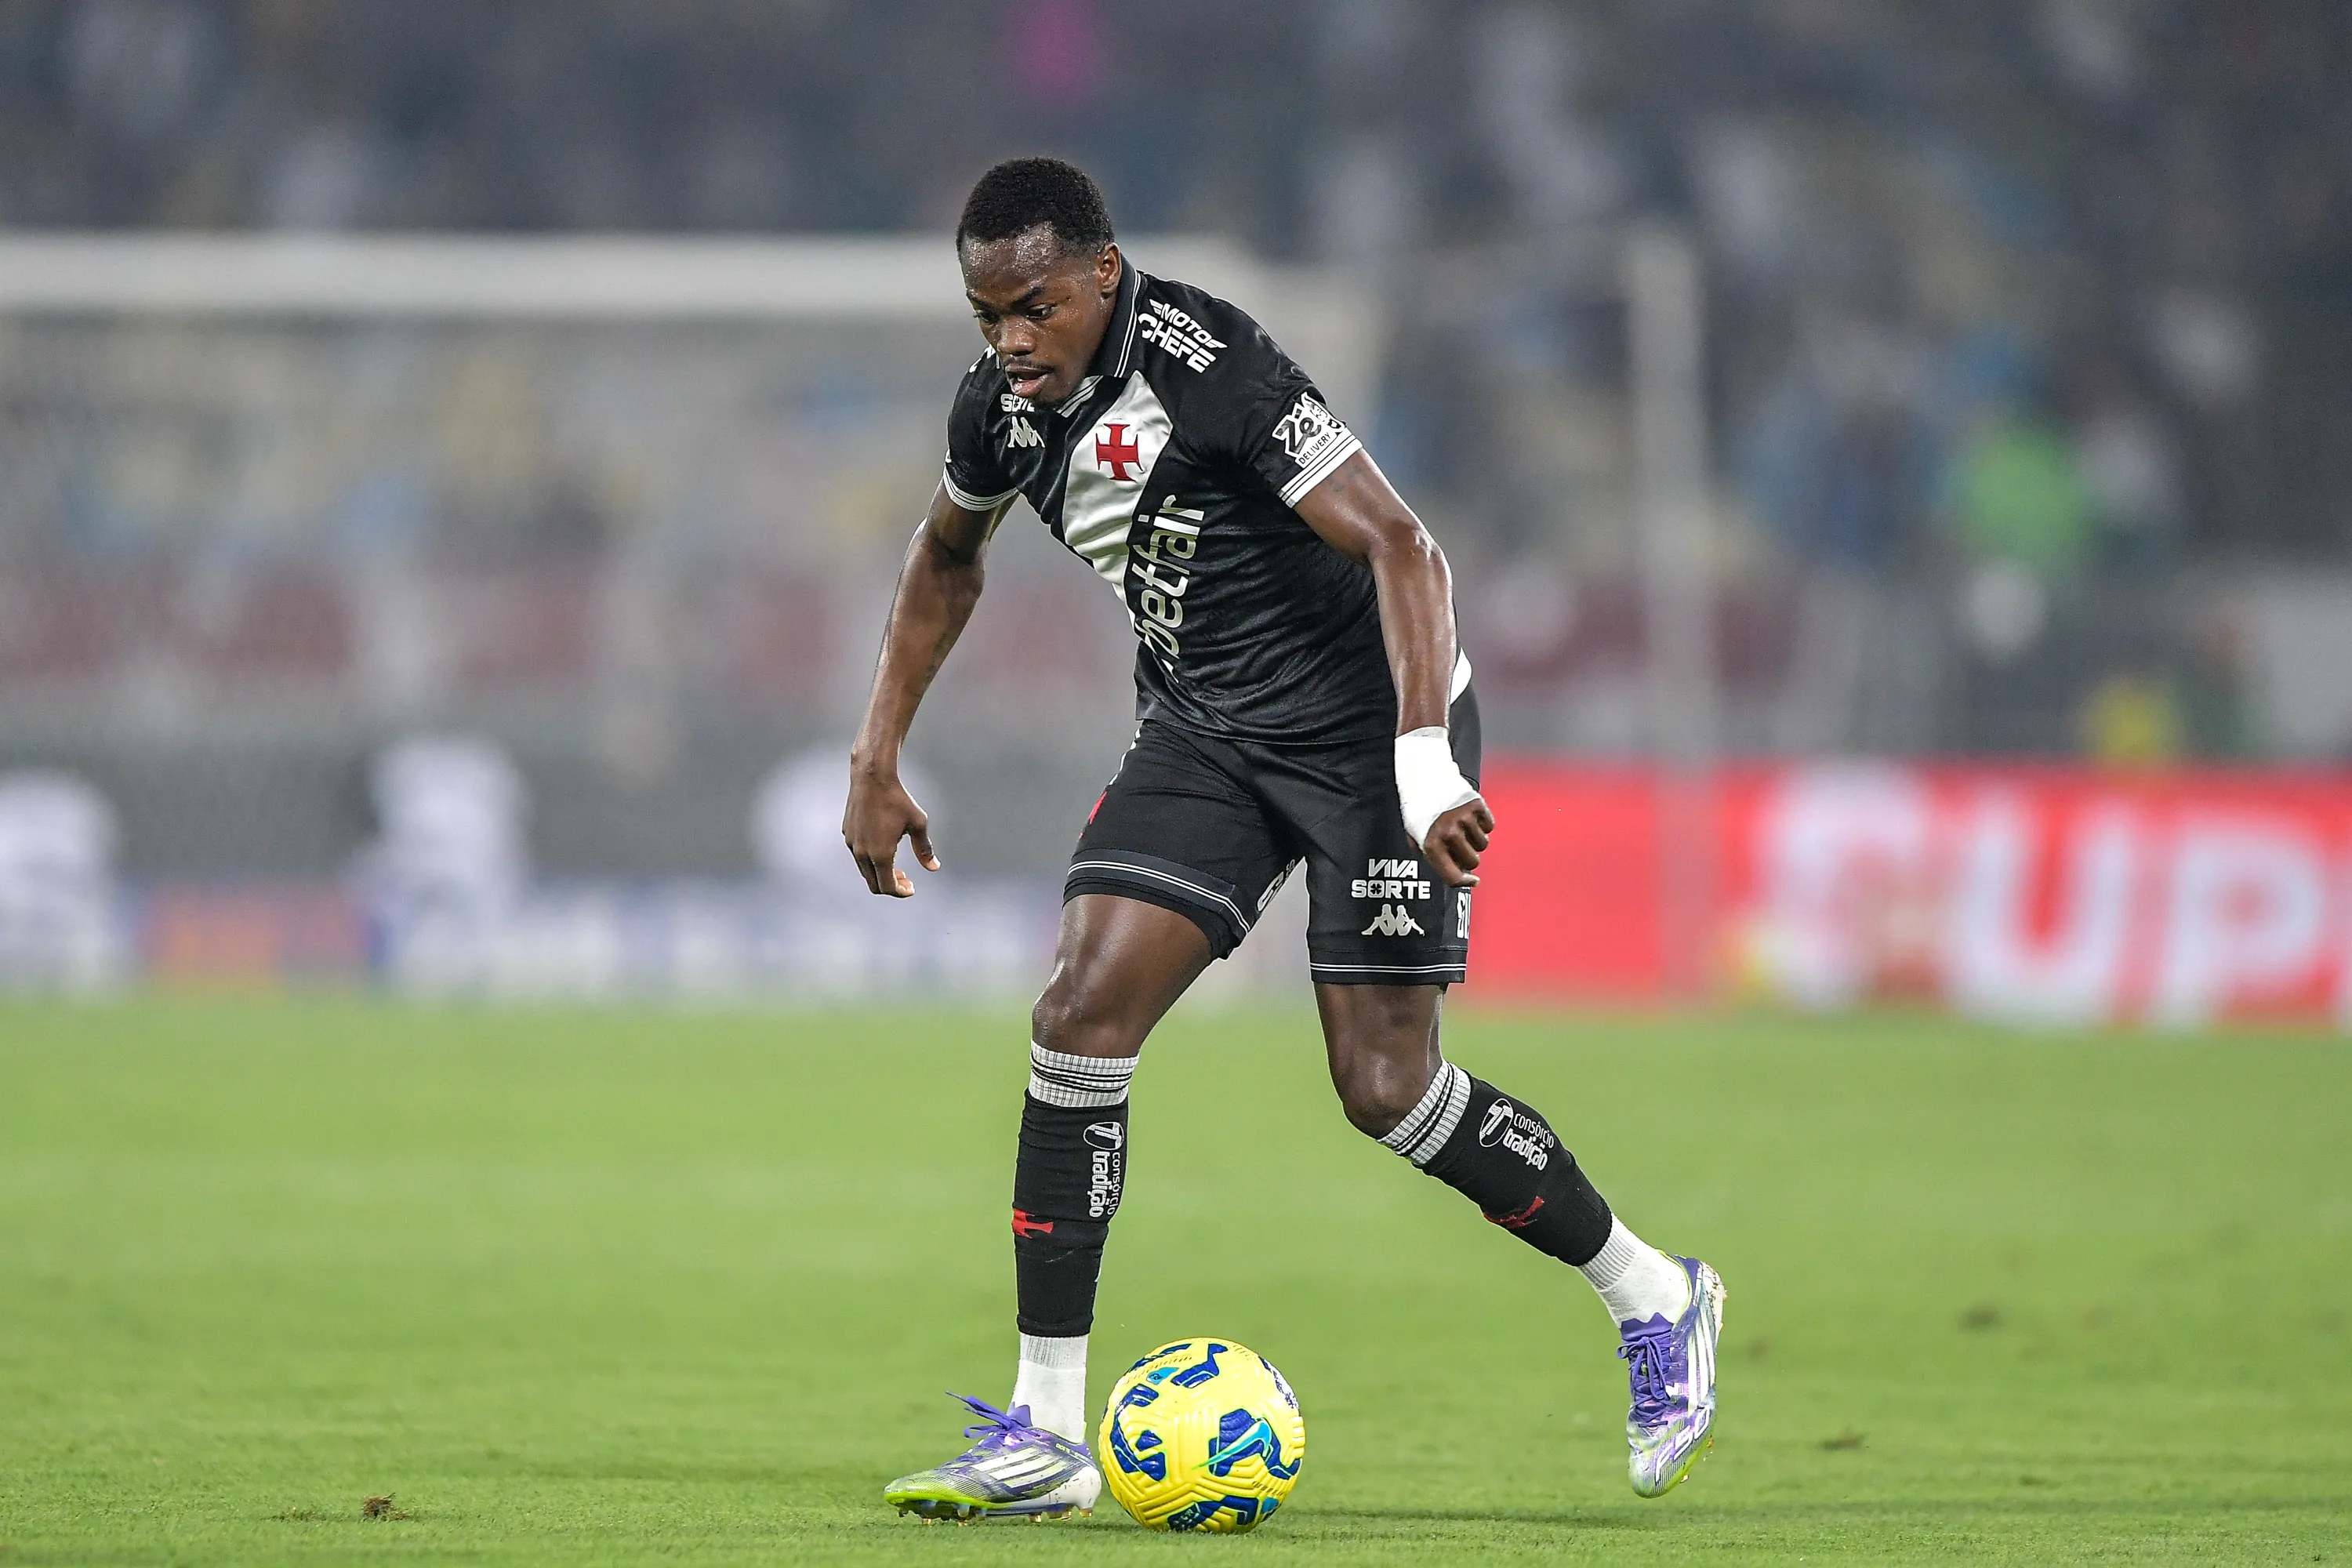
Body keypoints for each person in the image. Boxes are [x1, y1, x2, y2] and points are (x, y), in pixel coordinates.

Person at [848, 158, 1723, 1523]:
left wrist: (1427, 766)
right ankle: (1042, 1432)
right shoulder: (1002, 414)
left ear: (1099, 272)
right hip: (1205, 735)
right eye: (984, 316)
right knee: (1078, 1013)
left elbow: (1405, 548)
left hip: (1374, 734)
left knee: (1384, 1089)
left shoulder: (1218, 370)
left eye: (1031, 306)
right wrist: (878, 749)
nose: (1010, 339)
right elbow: (945, 557)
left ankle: (1656, 1293)